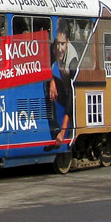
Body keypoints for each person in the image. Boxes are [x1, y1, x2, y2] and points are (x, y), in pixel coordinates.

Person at [45, 21, 76, 149]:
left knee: (72, 103)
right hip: (63, 87)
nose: (59, 48)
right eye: (57, 44)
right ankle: (54, 132)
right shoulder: (55, 48)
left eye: (62, 44)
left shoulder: (72, 62)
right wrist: (51, 81)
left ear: (67, 42)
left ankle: (65, 134)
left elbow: (71, 98)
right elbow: (47, 62)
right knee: (46, 84)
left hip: (73, 94)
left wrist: (63, 131)